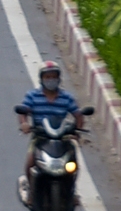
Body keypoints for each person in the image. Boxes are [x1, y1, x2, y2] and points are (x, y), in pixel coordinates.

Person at [15, 61, 84, 202]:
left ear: (59, 79)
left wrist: (77, 130)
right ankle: (31, 192)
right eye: (48, 77)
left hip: (62, 138)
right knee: (30, 163)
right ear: (41, 79)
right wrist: (24, 124)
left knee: (73, 164)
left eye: (54, 77)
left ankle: (72, 191)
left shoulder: (67, 98)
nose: (51, 80)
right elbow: (23, 112)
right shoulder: (32, 96)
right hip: (40, 137)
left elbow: (78, 115)